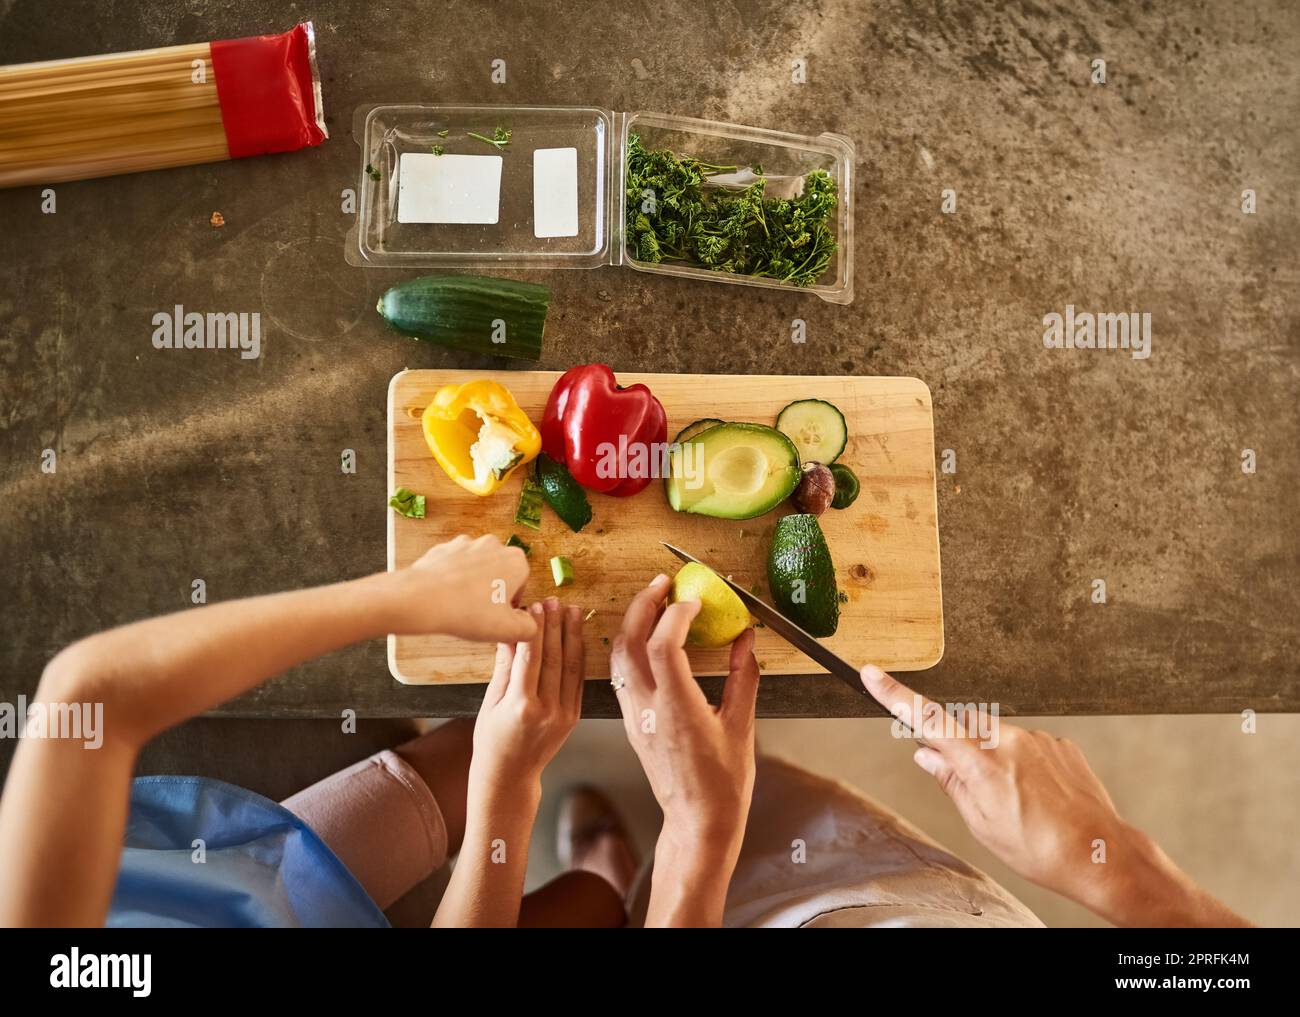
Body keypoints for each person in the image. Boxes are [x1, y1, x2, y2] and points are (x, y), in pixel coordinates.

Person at [0, 536, 1251, 928]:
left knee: (560, 875)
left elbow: (83, 704)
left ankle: (599, 861)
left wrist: (492, 778)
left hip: (254, 885)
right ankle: (607, 867)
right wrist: (1115, 867)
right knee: (589, 904)